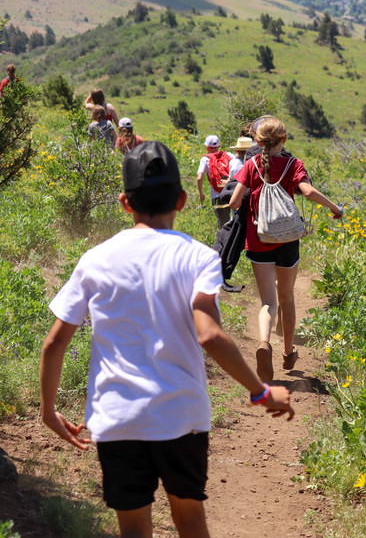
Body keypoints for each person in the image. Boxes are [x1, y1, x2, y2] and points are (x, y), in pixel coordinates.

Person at [39, 141, 293, 538]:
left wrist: (48, 410)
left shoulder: (96, 259)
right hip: (182, 416)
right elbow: (208, 334)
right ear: (182, 199)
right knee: (190, 519)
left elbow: (54, 343)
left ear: (125, 202)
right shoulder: (198, 258)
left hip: (117, 419)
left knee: (134, 529)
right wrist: (261, 392)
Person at [229, 117, 343, 383]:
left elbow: (234, 203)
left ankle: (264, 343)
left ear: (257, 143)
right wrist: (335, 208)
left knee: (268, 302)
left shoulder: (250, 164)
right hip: (288, 241)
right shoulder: (294, 164)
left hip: (258, 241)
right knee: (287, 297)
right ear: (284, 140)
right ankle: (288, 353)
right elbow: (309, 191)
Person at [197, 135, 233, 229]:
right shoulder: (229, 155)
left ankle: (224, 242)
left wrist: (201, 193)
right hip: (232, 193)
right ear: (219, 145)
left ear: (207, 147)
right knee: (234, 220)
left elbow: (199, 177)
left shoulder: (205, 159)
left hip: (217, 195)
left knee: (223, 223)